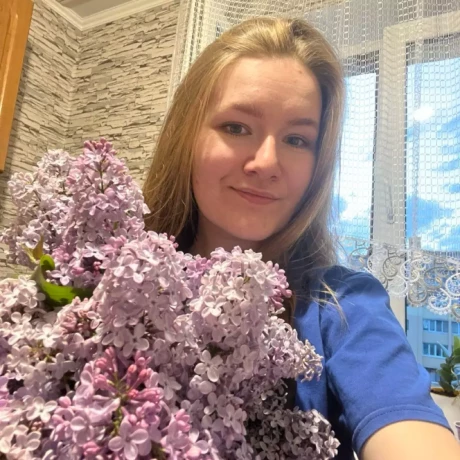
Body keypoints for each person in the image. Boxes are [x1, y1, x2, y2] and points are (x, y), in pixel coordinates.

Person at [142, 16, 460, 460]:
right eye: (236, 127)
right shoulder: (116, 283)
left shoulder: (343, 308)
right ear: (186, 137)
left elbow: (407, 429)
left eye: (296, 139)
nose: (266, 163)